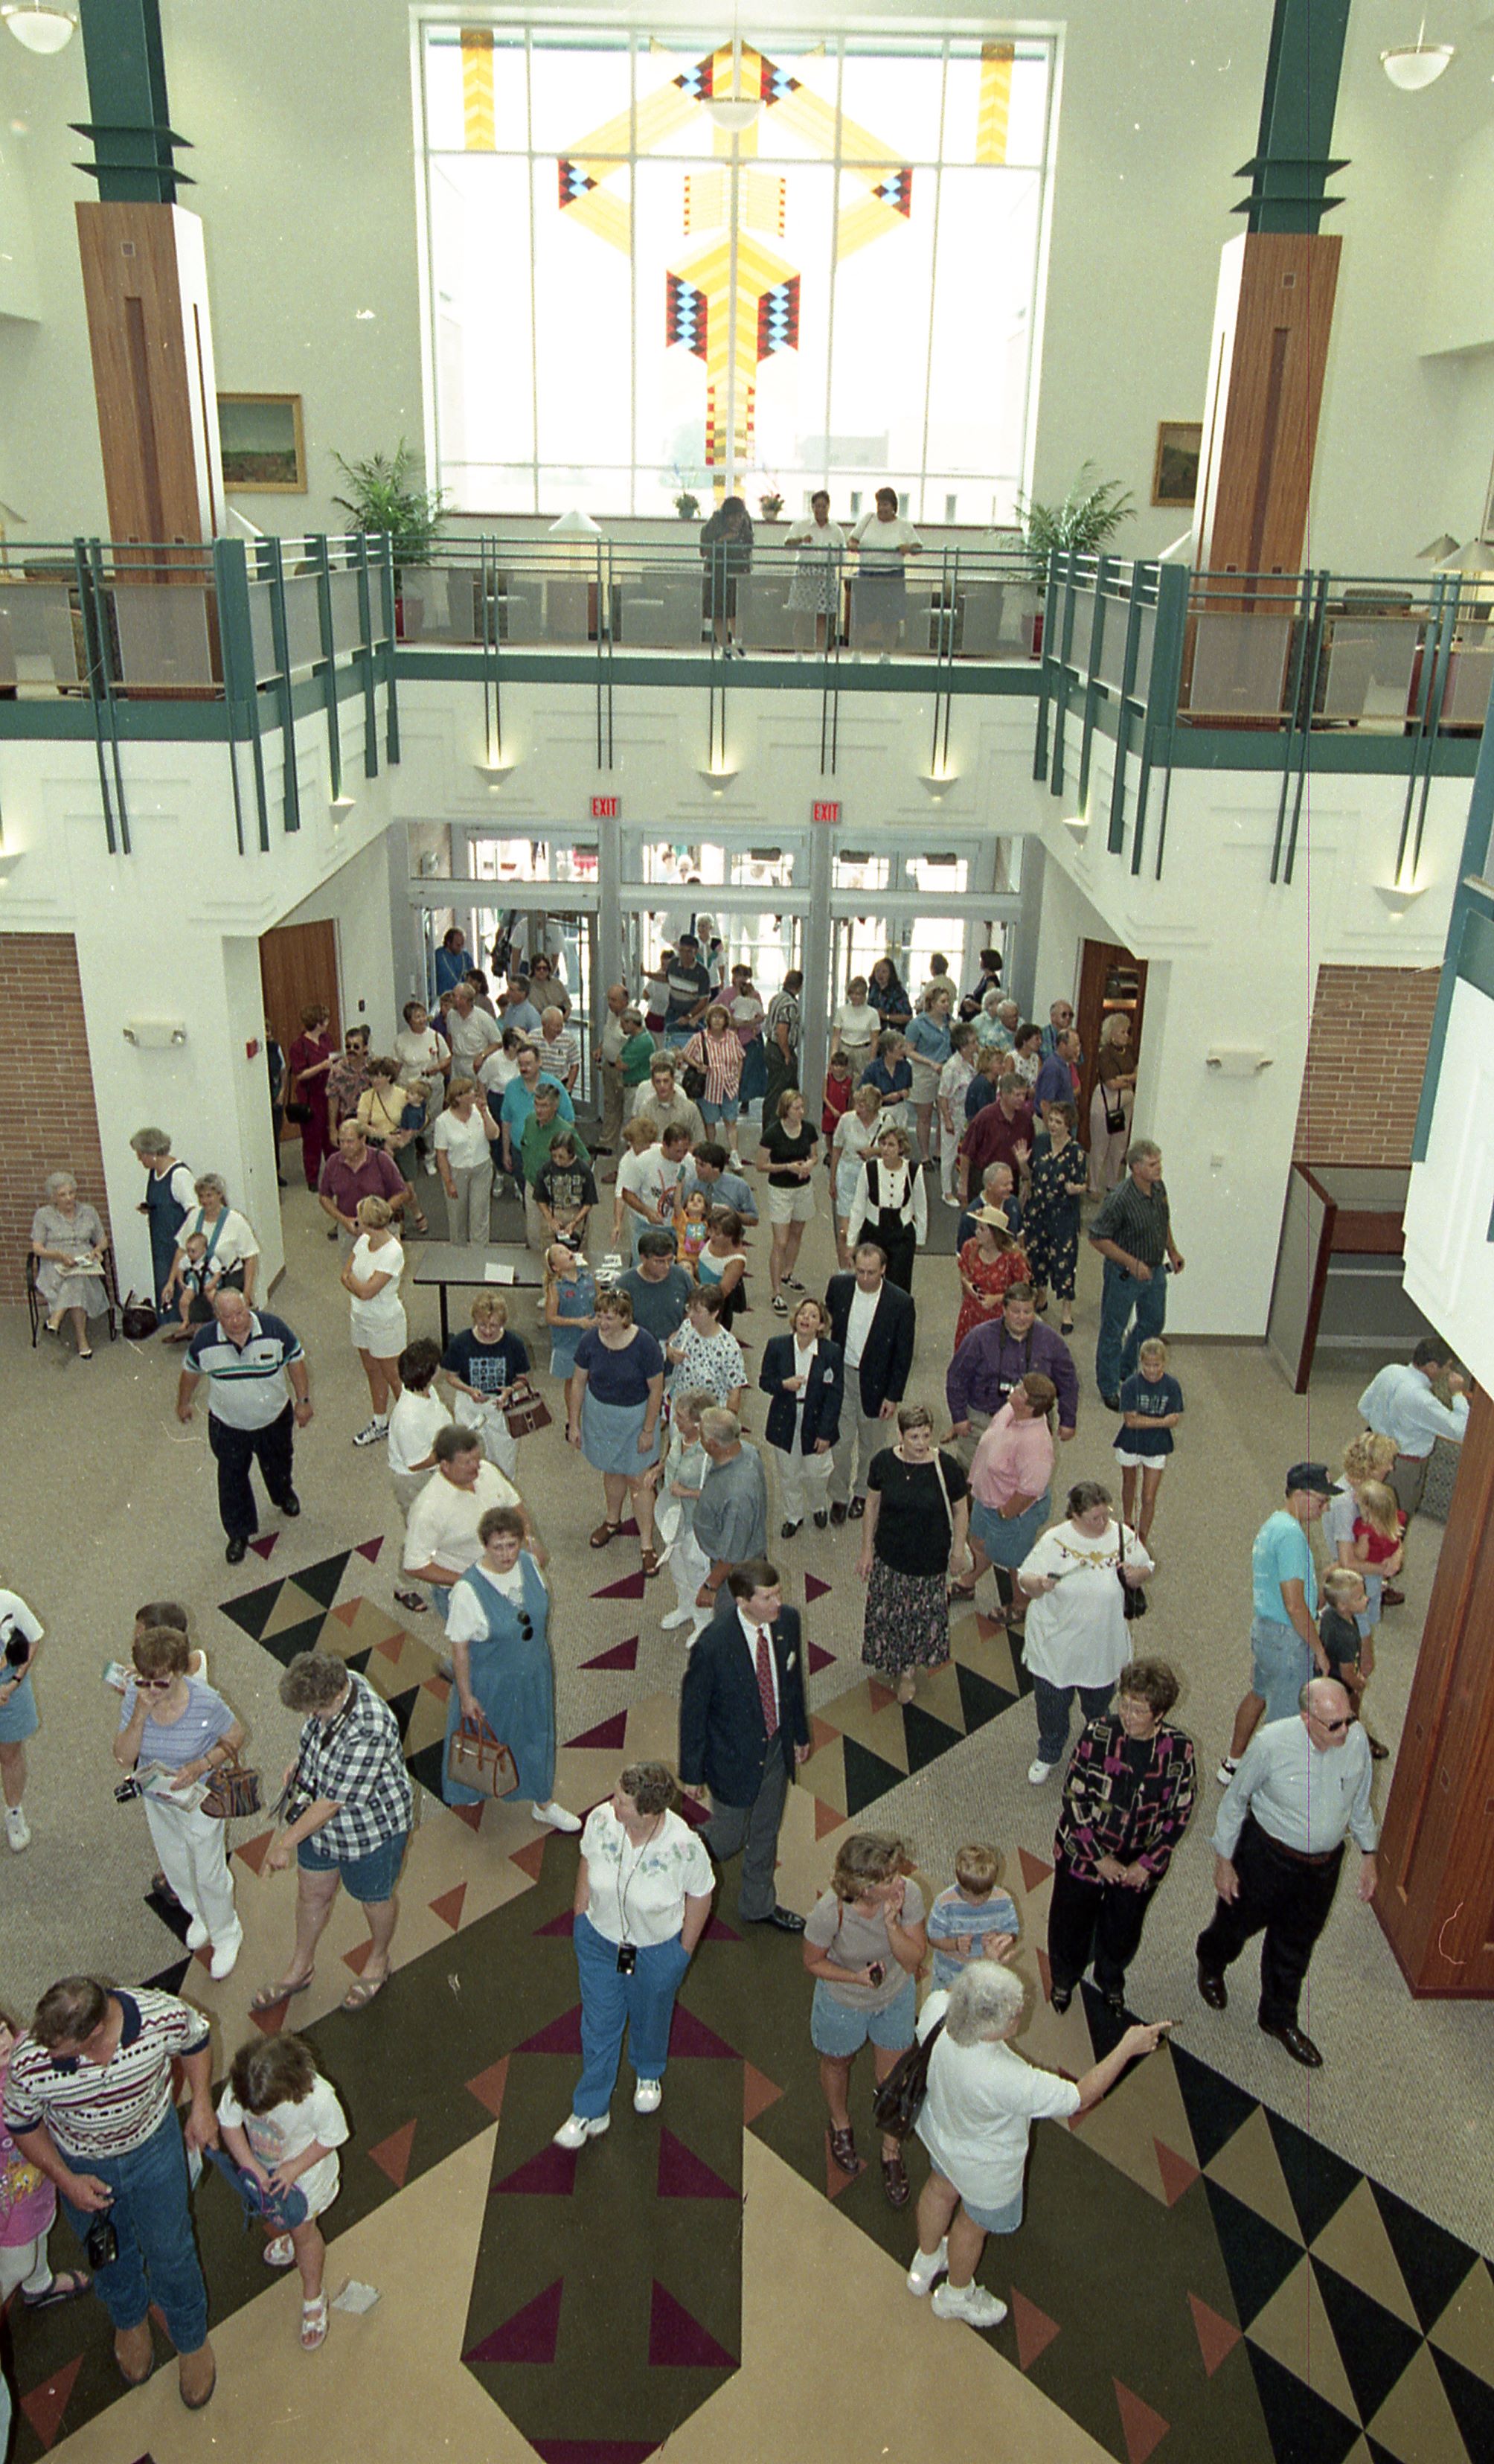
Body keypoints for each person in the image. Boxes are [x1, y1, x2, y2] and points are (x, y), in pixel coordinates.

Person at [905, 1962, 1170, 2327]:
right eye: (1013, 2014)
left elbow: (960, 1993)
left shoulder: (937, 2008)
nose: (1020, 2015)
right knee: (969, 2227)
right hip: (985, 2172)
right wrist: (1127, 2047)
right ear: (993, 2028)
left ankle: (926, 2260)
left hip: (941, 2135)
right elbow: (1081, 2096)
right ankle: (955, 2295)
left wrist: (988, 1967)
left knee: (937, 2191)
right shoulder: (1009, 2078)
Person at [2, 1976, 217, 2407]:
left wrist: (202, 2105)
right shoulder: (31, 2060)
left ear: (93, 2033)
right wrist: (66, 2179)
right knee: (106, 2252)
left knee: (171, 2248)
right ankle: (128, 2317)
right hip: (81, 2164)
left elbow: (197, 2039)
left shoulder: (160, 2015)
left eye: (57, 2048)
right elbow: (23, 2124)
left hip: (154, 2151)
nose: (43, 2051)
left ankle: (191, 2336)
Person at [1197, 1677, 1379, 2069]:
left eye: (1348, 1719)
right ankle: (1211, 1962)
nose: (1345, 1731)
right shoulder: (1270, 1744)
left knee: (1296, 1946)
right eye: (1334, 1724)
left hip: (1321, 1869)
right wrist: (1224, 1860)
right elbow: (1235, 1801)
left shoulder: (1357, 1740)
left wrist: (1369, 1853)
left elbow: (1360, 1803)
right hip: (1266, 1858)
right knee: (1235, 1924)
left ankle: (1277, 2018)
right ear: (1305, 1718)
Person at [553, 1761, 715, 2148]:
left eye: (623, 1802)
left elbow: (702, 1893)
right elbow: (587, 1860)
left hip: (657, 1950)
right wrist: (580, 1919)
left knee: (651, 2012)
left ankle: (648, 2070)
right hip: (599, 1942)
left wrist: (681, 1954)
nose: (613, 1803)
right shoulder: (601, 1821)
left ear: (649, 1812)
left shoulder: (683, 1846)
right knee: (599, 2024)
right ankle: (591, 2108)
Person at [254, 1649, 414, 2016]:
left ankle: (378, 1960)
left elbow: (331, 1803)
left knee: (374, 1898)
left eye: (315, 1711)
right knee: (311, 1893)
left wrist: (284, 1843)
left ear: (336, 1696)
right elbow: (319, 1733)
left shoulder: (369, 1727)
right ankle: (300, 1967)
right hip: (321, 1824)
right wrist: (301, 1761)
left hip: (370, 1830)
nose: (311, 1717)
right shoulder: (342, 1681)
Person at [1048, 1660, 1196, 2016]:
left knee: (1123, 1928)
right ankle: (1064, 1978)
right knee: (1070, 1920)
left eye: (1138, 1709)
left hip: (1138, 1862)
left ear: (1159, 1714)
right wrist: (1099, 1858)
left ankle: (1111, 1978)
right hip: (1085, 1850)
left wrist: (1145, 1865)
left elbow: (1179, 1815)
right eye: (1124, 1704)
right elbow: (1073, 1797)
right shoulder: (1098, 1734)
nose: (1127, 1715)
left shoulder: (1179, 1750)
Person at [679, 1560, 809, 1929]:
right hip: (733, 1758)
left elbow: (791, 1685)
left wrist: (799, 1734)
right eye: (767, 1597)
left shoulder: (788, 1623)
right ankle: (676, 1863)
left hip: (775, 1749)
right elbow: (694, 1712)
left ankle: (758, 1905)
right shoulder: (714, 1645)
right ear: (742, 1601)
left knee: (766, 1830)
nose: (777, 1603)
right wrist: (692, 1771)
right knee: (729, 1834)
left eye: (778, 1593)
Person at [113, 1623, 246, 1979]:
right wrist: (139, 1716)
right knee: (174, 1864)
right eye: (145, 1680)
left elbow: (235, 1735)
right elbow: (124, 1757)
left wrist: (201, 1764)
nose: (151, 1690)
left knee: (209, 1871)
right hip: (158, 1798)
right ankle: (198, 1914)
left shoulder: (205, 1702)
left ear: (177, 1673)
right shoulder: (136, 1698)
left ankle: (226, 1931)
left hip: (200, 1799)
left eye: (160, 1682)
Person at [804, 1833, 926, 2201]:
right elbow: (812, 1962)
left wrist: (892, 1925)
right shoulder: (831, 1912)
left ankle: (891, 2149)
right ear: (864, 1888)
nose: (899, 1882)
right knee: (837, 2061)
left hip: (894, 1996)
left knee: (893, 2078)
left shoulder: (909, 1896)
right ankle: (840, 2123)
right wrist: (855, 1977)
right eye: (888, 1879)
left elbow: (912, 1960)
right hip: (843, 1999)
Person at [441, 1507, 579, 1831]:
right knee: (487, 1738)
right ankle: (474, 1786)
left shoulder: (529, 1564)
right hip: (491, 1681)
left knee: (536, 1733)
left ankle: (542, 1802)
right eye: (497, 1547)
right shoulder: (467, 1591)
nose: (506, 1554)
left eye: (512, 1545)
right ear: (484, 1546)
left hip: (534, 1673)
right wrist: (466, 1696)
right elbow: (460, 1650)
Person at [217, 2034, 349, 2353]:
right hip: (271, 2171)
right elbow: (229, 2124)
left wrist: (292, 2169)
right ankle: (292, 2238)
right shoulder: (246, 2084)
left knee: (304, 2231)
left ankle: (313, 2296)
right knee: (288, 2222)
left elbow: (333, 2136)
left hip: (306, 2177)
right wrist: (253, 2167)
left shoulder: (318, 2098)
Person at [1016, 1480, 1155, 1784]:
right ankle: (1050, 1751)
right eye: (1095, 1518)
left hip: (1101, 1645)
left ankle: (1101, 1748)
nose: (1103, 1522)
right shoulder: (1055, 1540)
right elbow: (1025, 1578)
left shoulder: (1121, 1535)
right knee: (1052, 1706)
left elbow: (1146, 1566)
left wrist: (1137, 1575)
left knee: (1099, 1706)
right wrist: (1038, 1585)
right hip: (1057, 1646)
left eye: (1106, 1515)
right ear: (1075, 1516)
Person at [1218, 1462, 1336, 1785]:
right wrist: (1319, 1649)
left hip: (1266, 1632)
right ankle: (1267, 1788)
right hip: (1287, 1640)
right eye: (1321, 1500)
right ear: (1301, 1494)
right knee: (1284, 1724)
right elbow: (1295, 1605)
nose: (1325, 1509)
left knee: (1258, 1693)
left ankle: (1233, 1762)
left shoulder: (1274, 1524)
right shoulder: (1291, 1536)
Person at [176, 1290, 311, 1565]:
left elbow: (295, 1362)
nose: (236, 1321)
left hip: (273, 1419)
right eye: (228, 1316)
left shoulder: (274, 1328)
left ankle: (283, 1495)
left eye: (240, 1313)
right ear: (217, 1317)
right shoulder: (204, 1341)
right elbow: (190, 1372)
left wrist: (303, 1401)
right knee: (231, 1479)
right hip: (228, 1425)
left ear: (248, 1306)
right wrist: (184, 1403)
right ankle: (238, 1533)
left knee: (279, 1463)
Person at [857, 1404, 970, 1706]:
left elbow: (960, 1509)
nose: (921, 1443)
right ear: (900, 1435)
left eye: (926, 1436)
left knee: (915, 1618)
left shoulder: (945, 1467)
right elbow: (872, 1505)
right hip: (890, 1556)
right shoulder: (883, 1463)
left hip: (928, 1560)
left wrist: (958, 1549)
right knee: (890, 1611)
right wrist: (867, 1549)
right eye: (914, 1437)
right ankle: (892, 1658)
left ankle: (908, 1673)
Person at [0, 2006, 90, 2317]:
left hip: (35, 2182)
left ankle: (40, 2286)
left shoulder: (27, 2052)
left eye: (2, 2031)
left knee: (43, 2225)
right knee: (18, 2261)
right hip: (7, 2201)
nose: (2, 2044)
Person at [570, 1289, 665, 1575]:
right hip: (601, 1416)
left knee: (639, 1480)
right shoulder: (589, 1341)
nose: (602, 1322)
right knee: (611, 1470)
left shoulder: (645, 1345)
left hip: (636, 1418)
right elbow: (578, 1383)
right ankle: (612, 1521)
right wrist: (574, 1422)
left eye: (609, 1317)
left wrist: (648, 1430)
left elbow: (656, 1390)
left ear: (625, 1317)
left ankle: (647, 1545)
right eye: (599, 1315)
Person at [1089, 1139, 1184, 1410]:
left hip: (1154, 1271)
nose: (1159, 1168)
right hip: (1124, 1275)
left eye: (1159, 1163)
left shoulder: (1159, 1189)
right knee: (1113, 1329)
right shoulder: (1119, 1198)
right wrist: (1131, 1263)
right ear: (1136, 1167)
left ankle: (1126, 1366)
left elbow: (1162, 1221)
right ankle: (1108, 1386)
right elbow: (1097, 1237)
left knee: (1153, 1323)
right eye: (1153, 1164)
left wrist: (1172, 1251)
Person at [402, 1423, 535, 1615]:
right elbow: (414, 1565)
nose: (477, 1466)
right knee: (478, 1643)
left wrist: (529, 1541)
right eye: (467, 1462)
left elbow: (514, 1504)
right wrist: (470, 1580)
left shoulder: (487, 1471)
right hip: (465, 1591)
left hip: (504, 1575)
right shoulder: (428, 1509)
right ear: (445, 1466)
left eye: (477, 1458)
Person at [825, 1243, 917, 1522]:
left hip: (878, 1384)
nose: (864, 1278)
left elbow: (903, 1354)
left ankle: (863, 1493)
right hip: (842, 1376)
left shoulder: (901, 1302)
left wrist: (893, 1395)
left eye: (871, 1273)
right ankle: (839, 1497)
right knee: (839, 1443)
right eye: (860, 1271)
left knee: (871, 1445)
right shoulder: (839, 1287)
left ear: (884, 1270)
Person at [954, 1373, 1057, 1619]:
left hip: (1012, 1511)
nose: (1016, 1389)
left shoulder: (1036, 1444)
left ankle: (1020, 1607)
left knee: (1015, 1561)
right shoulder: (1012, 1411)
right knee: (979, 1541)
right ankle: (968, 1583)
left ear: (1031, 1406)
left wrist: (1005, 1513)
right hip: (987, 1497)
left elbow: (1030, 1491)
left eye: (1022, 1390)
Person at [946, 1283, 1079, 1464]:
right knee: (973, 1477)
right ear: (1003, 1309)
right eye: (1016, 1311)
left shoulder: (1051, 1341)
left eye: (1027, 1312)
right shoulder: (979, 1338)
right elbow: (956, 1378)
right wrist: (959, 1417)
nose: (1022, 1318)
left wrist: (1068, 1420)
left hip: (1033, 1424)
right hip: (983, 1422)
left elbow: (1068, 1382)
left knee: (1028, 1482)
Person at [1357, 1336, 1471, 1537]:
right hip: (1404, 1467)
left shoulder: (1390, 1371)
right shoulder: (1421, 1399)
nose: (1449, 1373)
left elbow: (1364, 1406)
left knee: (1366, 1512)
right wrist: (1458, 1395)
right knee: (1392, 1525)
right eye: (1448, 1367)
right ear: (1433, 1367)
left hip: (1373, 1452)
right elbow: (1461, 1432)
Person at [760, 1296, 844, 1538]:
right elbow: (765, 1382)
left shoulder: (831, 1352)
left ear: (821, 1325)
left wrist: (826, 1433)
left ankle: (819, 1505)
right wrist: (783, 1384)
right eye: (802, 1314)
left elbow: (835, 1395)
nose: (806, 1318)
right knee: (789, 1472)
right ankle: (793, 1515)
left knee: (818, 1471)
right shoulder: (777, 1345)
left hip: (816, 1419)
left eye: (813, 1316)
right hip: (785, 1418)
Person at [685, 1408, 770, 1631]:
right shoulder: (747, 1451)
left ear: (712, 1444)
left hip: (736, 1574)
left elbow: (731, 1555)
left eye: (701, 1435)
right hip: (736, 1555)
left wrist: (711, 1586)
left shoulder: (738, 1495)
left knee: (730, 1624)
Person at [386, 1340, 450, 1605]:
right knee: (419, 1532)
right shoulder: (408, 1416)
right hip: (414, 1481)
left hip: (434, 1472)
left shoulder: (427, 1393)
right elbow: (416, 1462)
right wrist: (450, 1450)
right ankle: (404, 1586)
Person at [440, 1292, 530, 1479]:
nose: (488, 1331)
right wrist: (469, 1390)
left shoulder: (514, 1344)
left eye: (494, 1326)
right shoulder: (461, 1343)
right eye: (483, 1325)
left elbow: (522, 1378)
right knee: (467, 1458)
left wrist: (510, 1391)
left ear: (503, 1323)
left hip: (502, 1407)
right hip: (469, 1405)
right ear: (474, 1320)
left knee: (504, 1462)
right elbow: (451, 1376)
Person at [341, 1195, 406, 1450]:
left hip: (385, 1323)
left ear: (367, 1222)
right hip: (360, 1318)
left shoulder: (393, 1252)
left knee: (395, 1377)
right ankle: (380, 1422)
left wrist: (355, 1286)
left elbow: (367, 1291)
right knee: (372, 1371)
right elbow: (344, 1275)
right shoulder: (363, 1241)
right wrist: (358, 1287)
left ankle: (407, 1430)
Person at [1022, 1101, 1086, 1335]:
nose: (1053, 1125)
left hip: (1063, 1215)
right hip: (1038, 1211)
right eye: (1051, 1120)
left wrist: (1074, 1189)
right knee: (1036, 1256)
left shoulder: (1076, 1152)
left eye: (1058, 1122)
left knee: (1064, 1262)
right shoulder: (1040, 1143)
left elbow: (1082, 1183)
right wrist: (1021, 1162)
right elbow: (1029, 1174)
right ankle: (1040, 1298)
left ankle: (1066, 1312)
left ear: (1068, 1125)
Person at [30, 1171, 109, 1358]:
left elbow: (103, 1240)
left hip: (83, 1263)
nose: (69, 1198)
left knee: (78, 1278)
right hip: (55, 1265)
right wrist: (58, 1255)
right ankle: (82, 1340)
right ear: (53, 1197)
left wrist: (97, 1251)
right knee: (77, 1280)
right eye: (63, 1195)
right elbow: (37, 1248)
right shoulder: (43, 1215)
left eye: (71, 1193)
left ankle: (55, 1319)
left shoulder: (88, 1211)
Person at [655, 1388, 714, 1633]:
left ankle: (703, 1620)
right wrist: (656, 1472)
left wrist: (687, 1493)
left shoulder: (710, 1451)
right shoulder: (680, 1438)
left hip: (696, 1523)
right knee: (677, 1567)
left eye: (680, 1416)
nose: (674, 1420)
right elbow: (671, 1460)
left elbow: (718, 1495)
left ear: (698, 1422)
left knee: (697, 1572)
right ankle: (685, 1607)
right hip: (673, 1518)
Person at [757, 1087, 819, 1313]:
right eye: (797, 1108)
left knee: (797, 1233)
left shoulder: (809, 1130)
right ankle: (776, 1292)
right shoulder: (773, 1133)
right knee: (780, 1241)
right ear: (786, 1109)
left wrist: (810, 1165)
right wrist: (787, 1167)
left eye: (802, 1107)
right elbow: (761, 1165)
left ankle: (788, 1273)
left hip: (803, 1187)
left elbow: (814, 1155)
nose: (801, 1112)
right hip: (781, 1190)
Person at [846, 1122, 926, 1294]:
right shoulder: (869, 1169)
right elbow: (858, 1207)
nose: (886, 1149)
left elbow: (921, 1206)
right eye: (883, 1144)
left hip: (901, 1234)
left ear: (901, 1148)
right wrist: (851, 1241)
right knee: (870, 1280)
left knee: (899, 1284)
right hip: (873, 1232)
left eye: (891, 1145)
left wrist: (920, 1237)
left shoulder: (913, 1170)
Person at [926, 1845, 1019, 1991]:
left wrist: (998, 1938)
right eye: (968, 1894)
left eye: (984, 1895)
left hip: (985, 1974)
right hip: (949, 1975)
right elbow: (933, 1939)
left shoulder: (1003, 1901)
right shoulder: (945, 1904)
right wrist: (955, 1944)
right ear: (957, 1878)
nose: (976, 1902)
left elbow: (1012, 1932)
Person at [355, 1056, 431, 1231]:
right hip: (379, 1145)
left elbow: (422, 1115)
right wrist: (384, 1136)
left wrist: (410, 1134)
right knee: (385, 1187)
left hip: (403, 1144)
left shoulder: (402, 1095)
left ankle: (416, 1212)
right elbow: (362, 1125)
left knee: (407, 1188)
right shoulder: (367, 1097)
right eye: (372, 1076)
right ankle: (396, 1219)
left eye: (379, 1076)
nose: (375, 1080)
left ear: (389, 1077)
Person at [168, 1174, 262, 1313]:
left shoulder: (236, 1221)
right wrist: (170, 1282)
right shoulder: (194, 1217)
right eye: (201, 1196)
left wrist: (247, 1293)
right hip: (200, 1281)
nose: (205, 1201)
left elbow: (250, 1258)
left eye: (209, 1195)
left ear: (219, 1195)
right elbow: (181, 1251)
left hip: (228, 1280)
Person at [318, 1115, 408, 1255]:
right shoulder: (333, 1163)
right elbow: (325, 1197)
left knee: (383, 1271)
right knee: (351, 1272)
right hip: (350, 1229)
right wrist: (343, 1220)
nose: (345, 1146)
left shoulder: (381, 1160)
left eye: (350, 1142)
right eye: (341, 1142)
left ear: (363, 1140)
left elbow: (401, 1192)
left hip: (381, 1228)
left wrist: (377, 1215)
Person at [130, 1127, 196, 1315]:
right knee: (164, 1287)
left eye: (141, 1154)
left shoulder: (179, 1175)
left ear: (153, 1153)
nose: (139, 1159)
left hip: (177, 1245)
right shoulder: (154, 1172)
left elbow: (194, 1211)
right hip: (160, 1242)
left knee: (178, 1288)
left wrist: (183, 1242)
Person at [849, 488, 922, 654]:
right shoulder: (868, 519)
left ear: (894, 506)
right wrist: (853, 546)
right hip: (867, 574)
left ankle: (886, 655)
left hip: (892, 576)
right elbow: (852, 540)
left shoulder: (903, 525)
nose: (882, 508)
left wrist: (908, 547)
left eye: (886, 504)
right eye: (879, 504)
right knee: (862, 618)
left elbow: (918, 547)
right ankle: (857, 654)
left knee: (891, 619)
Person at [519, 1089, 591, 1248]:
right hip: (532, 1187)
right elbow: (525, 1146)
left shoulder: (566, 1131)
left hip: (556, 1194)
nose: (539, 1110)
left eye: (544, 1106)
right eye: (536, 1105)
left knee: (558, 1240)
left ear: (555, 1106)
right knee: (534, 1236)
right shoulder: (530, 1121)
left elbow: (585, 1159)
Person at [0, 1583, 43, 1854]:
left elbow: (35, 1636)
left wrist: (14, 1682)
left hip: (8, 1688)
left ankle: (14, 1812)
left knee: (10, 1754)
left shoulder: (10, 1603)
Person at [952, 1207, 1029, 1355]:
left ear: (995, 1234)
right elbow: (964, 1273)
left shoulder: (1013, 1258)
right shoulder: (970, 1248)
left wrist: (997, 1298)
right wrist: (967, 1285)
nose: (976, 1232)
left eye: (982, 1229)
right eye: (977, 1228)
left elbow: (1024, 1292)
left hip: (1000, 1320)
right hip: (971, 1315)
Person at [435, 1078, 501, 1244]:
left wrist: (485, 1113)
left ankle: (480, 1255)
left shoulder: (479, 1111)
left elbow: (494, 1134)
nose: (474, 1093)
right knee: (457, 1217)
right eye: (469, 1091)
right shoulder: (443, 1121)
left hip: (482, 1169)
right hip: (457, 1172)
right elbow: (441, 1154)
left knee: (480, 1215)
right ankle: (459, 1256)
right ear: (458, 1097)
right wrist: (448, 1181)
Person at [665, 1285, 747, 1412]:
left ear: (714, 1313)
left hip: (707, 1417)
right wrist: (672, 1355)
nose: (691, 1315)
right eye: (689, 1308)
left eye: (697, 1311)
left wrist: (724, 1425)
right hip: (681, 1409)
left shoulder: (729, 1348)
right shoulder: (687, 1327)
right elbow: (671, 1349)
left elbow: (734, 1394)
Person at [831, 1081, 885, 1270]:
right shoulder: (846, 1120)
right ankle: (844, 1269)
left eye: (862, 1105)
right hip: (848, 1174)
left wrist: (875, 1150)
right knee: (845, 1230)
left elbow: (897, 1149)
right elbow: (836, 1150)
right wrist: (832, 1181)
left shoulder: (886, 1121)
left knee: (868, 1227)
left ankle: (867, 1267)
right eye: (857, 1104)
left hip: (874, 1177)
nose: (857, 1109)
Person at [783, 487, 845, 649]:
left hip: (826, 573)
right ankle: (798, 652)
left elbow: (842, 555)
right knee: (801, 615)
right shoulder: (801, 525)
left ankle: (819, 653)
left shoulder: (836, 530)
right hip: (805, 571)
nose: (820, 509)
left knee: (822, 616)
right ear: (812, 507)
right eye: (817, 506)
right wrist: (801, 540)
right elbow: (787, 544)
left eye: (823, 506)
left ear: (828, 507)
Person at [958, 1073, 1033, 1203]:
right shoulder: (985, 1117)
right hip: (984, 1179)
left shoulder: (1025, 1120)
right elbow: (966, 1153)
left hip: (1010, 1180)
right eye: (1017, 1095)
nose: (1022, 1099)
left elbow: (1028, 1154)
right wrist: (963, 1186)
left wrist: (1026, 1180)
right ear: (1003, 1094)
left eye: (1024, 1095)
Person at [286, 1005, 337, 1189]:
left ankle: (334, 1175)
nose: (327, 1023)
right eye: (325, 1019)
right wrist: (322, 1067)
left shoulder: (326, 1039)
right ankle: (313, 1178)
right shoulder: (299, 1046)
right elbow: (300, 1075)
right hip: (311, 1096)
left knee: (332, 1135)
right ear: (318, 1022)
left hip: (329, 1093)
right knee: (312, 1139)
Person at [544, 1242, 597, 1416]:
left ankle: (591, 1415)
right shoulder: (556, 1288)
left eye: (567, 1250)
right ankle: (572, 1417)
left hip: (592, 1338)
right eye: (561, 1252)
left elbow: (601, 1301)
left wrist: (599, 1317)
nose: (568, 1253)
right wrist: (577, 1322)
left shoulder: (589, 1278)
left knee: (592, 1378)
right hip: (568, 1343)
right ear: (555, 1267)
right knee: (573, 1380)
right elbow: (551, 1317)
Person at [682, 1001, 744, 1150]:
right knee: (709, 1122)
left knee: (731, 1121)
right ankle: (711, 1150)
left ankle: (734, 1153)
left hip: (729, 1087)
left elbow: (740, 1058)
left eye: (720, 1017)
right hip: (708, 1087)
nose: (717, 1020)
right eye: (714, 1017)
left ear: (725, 1021)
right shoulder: (699, 1038)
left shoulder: (732, 1037)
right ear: (709, 1020)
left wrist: (738, 1078)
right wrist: (698, 1066)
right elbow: (685, 1054)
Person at [1089, 1013, 1137, 1196]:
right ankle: (1093, 1185)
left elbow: (1137, 1073)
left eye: (1127, 1032)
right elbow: (1111, 1083)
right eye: (1122, 1032)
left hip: (1125, 1102)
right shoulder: (1105, 1052)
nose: (1126, 1036)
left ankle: (1112, 1182)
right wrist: (1128, 1080)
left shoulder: (1129, 1051)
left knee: (1119, 1145)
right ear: (1112, 1034)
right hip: (1107, 1100)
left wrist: (1124, 1079)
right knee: (1101, 1145)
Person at [621, 1226, 694, 1347]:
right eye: (659, 1261)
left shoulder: (682, 1277)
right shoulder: (625, 1285)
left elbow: (695, 1310)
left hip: (678, 1349)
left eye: (670, 1260)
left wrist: (681, 1333)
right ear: (643, 1258)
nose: (666, 1266)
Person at [700, 495, 754, 654]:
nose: (736, 521)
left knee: (738, 610)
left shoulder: (746, 523)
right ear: (725, 516)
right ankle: (724, 647)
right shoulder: (714, 524)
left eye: (739, 517)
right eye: (732, 517)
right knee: (719, 611)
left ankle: (738, 643)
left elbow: (749, 546)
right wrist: (723, 540)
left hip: (739, 572)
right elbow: (704, 551)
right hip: (717, 573)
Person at [393, 997, 450, 1140]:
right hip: (410, 1089)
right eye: (417, 1017)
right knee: (412, 1123)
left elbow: (447, 1058)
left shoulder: (435, 1036)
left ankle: (430, 1155)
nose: (422, 1020)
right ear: (409, 1020)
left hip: (433, 1088)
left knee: (433, 1121)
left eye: (423, 1015)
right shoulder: (401, 1040)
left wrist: (437, 1067)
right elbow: (396, 1065)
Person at [937, 1024, 979, 1206]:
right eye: (973, 1042)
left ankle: (961, 1181)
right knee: (949, 1152)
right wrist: (947, 1119)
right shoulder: (951, 1067)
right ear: (963, 1046)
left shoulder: (976, 1060)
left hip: (970, 1114)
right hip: (954, 1114)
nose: (977, 1044)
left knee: (967, 1151)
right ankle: (946, 1191)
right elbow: (942, 1096)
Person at [629, 1055, 707, 1148]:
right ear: (653, 1083)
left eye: (666, 1081)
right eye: (658, 1082)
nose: (662, 1085)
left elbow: (699, 1140)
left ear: (673, 1081)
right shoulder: (646, 1109)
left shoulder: (690, 1109)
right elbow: (639, 1141)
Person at [593, 983, 632, 1156]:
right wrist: (601, 1049)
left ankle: (624, 1145)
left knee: (624, 1108)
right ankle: (607, 1143)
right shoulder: (611, 1014)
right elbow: (608, 1035)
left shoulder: (632, 1019)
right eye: (609, 999)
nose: (610, 1003)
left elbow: (633, 1046)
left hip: (622, 1071)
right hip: (608, 1067)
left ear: (625, 1002)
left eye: (614, 1000)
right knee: (610, 1106)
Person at [681, 1139, 758, 1226]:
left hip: (730, 1235)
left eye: (702, 1165)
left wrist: (732, 1214)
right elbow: (682, 1214)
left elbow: (754, 1219)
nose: (697, 1168)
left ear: (716, 1168)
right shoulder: (691, 1186)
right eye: (696, 1163)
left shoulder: (739, 1186)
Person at [694, 1205, 748, 1323]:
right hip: (696, 1288)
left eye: (717, 1233)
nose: (711, 1235)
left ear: (730, 1236)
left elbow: (721, 1293)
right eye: (711, 1230)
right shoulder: (712, 1237)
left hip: (711, 1307)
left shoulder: (736, 1261)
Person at [955, 1159, 1022, 1252]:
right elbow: (962, 1253)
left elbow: (1019, 1237)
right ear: (989, 1186)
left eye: (1011, 1183)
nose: (1011, 1188)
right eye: (1005, 1185)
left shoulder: (1013, 1204)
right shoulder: (971, 1215)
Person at [763, 970, 804, 1116]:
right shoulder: (790, 1005)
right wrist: (787, 1054)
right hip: (780, 1050)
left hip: (771, 1046)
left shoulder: (777, 998)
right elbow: (782, 1031)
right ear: (799, 987)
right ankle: (773, 1127)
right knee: (778, 1093)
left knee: (775, 1089)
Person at [832, 973, 882, 1082]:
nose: (855, 997)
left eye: (858, 994)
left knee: (861, 1083)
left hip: (863, 1051)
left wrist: (872, 1061)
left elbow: (875, 1040)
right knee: (842, 1082)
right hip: (845, 1049)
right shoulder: (842, 1011)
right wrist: (833, 1056)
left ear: (864, 995)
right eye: (852, 994)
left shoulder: (872, 1013)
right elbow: (836, 1036)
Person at [324, 1025, 373, 1135]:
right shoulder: (337, 1070)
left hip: (372, 1120)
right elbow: (333, 1100)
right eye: (348, 1046)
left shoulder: (373, 1067)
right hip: (349, 1119)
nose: (351, 1050)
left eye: (356, 1047)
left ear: (365, 1047)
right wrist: (332, 1128)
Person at [862, 1030, 913, 1126]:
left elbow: (907, 1089)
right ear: (888, 1051)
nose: (904, 1050)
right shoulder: (872, 1069)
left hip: (900, 1110)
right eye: (900, 1047)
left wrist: (904, 1093)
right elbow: (863, 1095)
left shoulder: (906, 1067)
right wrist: (885, 1098)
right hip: (878, 1110)